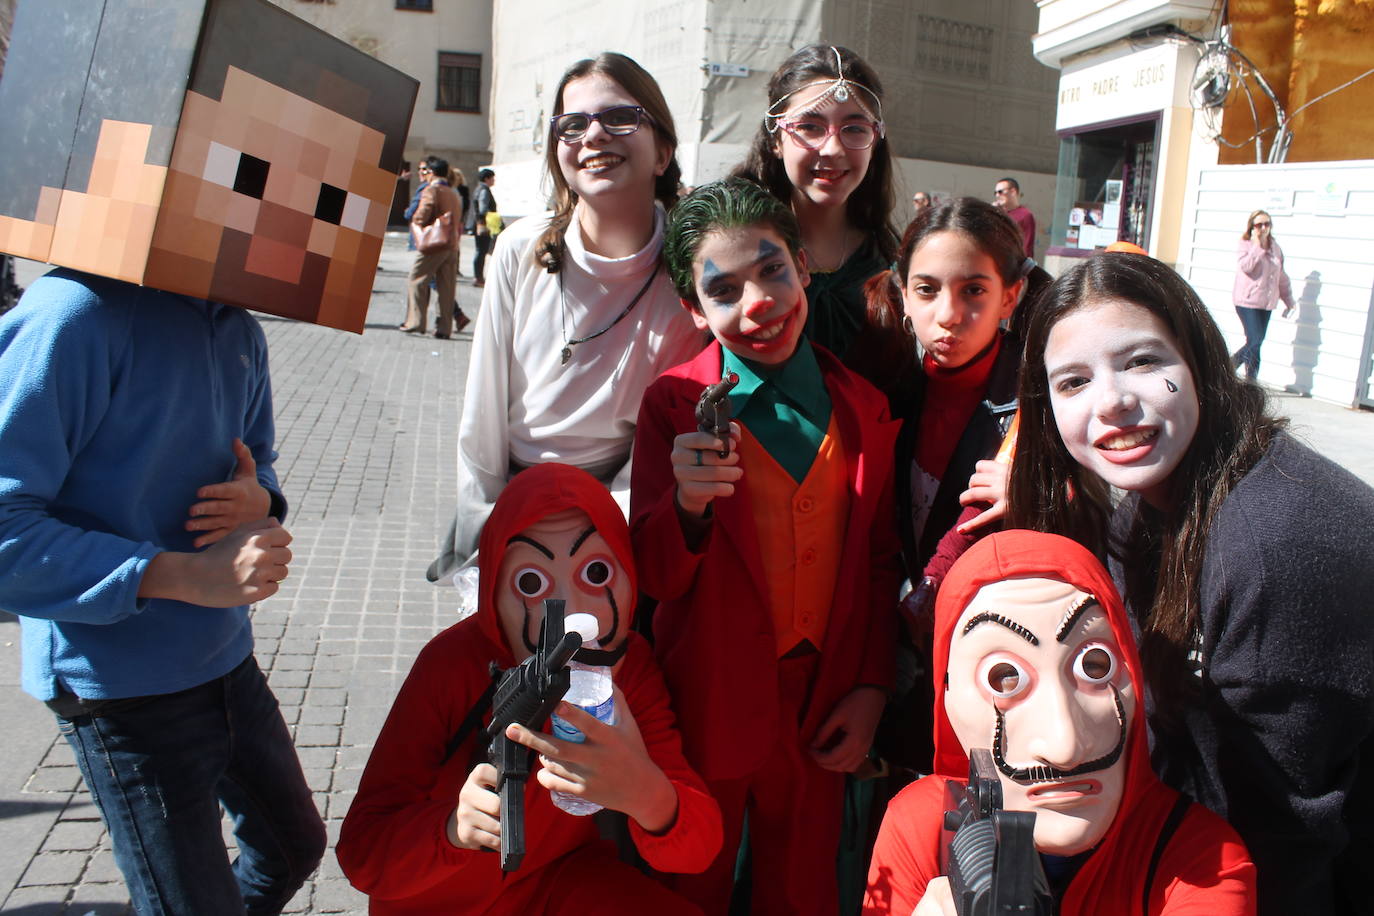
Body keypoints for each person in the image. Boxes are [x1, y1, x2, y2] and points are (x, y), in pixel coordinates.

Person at [1006, 252, 1374, 915]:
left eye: (1143, 361)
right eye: (1072, 382)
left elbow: (1283, 836)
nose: (1113, 400)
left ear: (1200, 360)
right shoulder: (1146, 503)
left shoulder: (1276, 547)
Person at [0, 270, 326, 914]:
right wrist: (182, 574)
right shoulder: (72, 314)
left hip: (227, 663)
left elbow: (257, 459)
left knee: (292, 846)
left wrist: (260, 498)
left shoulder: (236, 325)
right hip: (120, 688)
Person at [630, 178, 901, 914]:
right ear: (693, 309)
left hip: (823, 702)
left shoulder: (862, 407)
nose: (757, 302)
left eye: (772, 270)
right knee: (692, 879)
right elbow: (651, 575)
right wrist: (687, 507)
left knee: (802, 886)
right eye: (723, 291)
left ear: (804, 267)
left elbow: (878, 562)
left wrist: (872, 686)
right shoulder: (674, 407)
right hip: (709, 700)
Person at [337, 463, 722, 914]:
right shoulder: (450, 666)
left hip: (559, 881)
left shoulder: (627, 669)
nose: (571, 614)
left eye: (595, 573)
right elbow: (364, 854)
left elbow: (698, 848)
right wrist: (451, 829)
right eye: (531, 583)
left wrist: (649, 795)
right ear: (492, 594)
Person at [862, 530, 1256, 915]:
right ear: (948, 704)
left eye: (1095, 666)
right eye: (1005, 676)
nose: (1064, 746)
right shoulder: (921, 829)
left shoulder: (1199, 861)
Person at [429, 53, 703, 579]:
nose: (593, 135)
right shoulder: (520, 250)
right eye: (572, 125)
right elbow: (481, 415)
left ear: (663, 152)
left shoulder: (687, 274)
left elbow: (664, 431)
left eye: (619, 117)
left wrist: (603, 528)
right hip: (509, 503)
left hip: (616, 514)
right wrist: (488, 528)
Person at [866, 198, 1053, 780]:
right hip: (898, 668)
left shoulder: (1043, 400)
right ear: (902, 294)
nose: (948, 314)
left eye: (974, 291)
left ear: (1010, 296)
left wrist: (1044, 492)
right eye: (927, 290)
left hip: (997, 675)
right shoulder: (887, 387)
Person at [733, 45, 899, 373]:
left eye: (854, 128)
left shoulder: (892, 265)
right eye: (810, 127)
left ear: (875, 140)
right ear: (776, 140)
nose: (833, 148)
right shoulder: (733, 250)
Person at [403, 156, 467, 338]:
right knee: (447, 287)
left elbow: (422, 214)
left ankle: (416, 321)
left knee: (416, 279)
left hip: (435, 243)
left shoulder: (432, 190)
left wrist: (416, 221)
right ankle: (444, 328)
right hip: (452, 243)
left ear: (431, 172)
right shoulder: (454, 192)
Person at [1231, 209, 1294, 381]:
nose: (1263, 228)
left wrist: (1289, 300)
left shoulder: (1275, 248)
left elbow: (1281, 276)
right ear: (1252, 227)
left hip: (1266, 303)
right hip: (1247, 301)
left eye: (1267, 224)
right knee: (1255, 339)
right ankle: (1229, 366)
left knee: (1257, 343)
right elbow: (1246, 267)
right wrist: (1257, 246)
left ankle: (1251, 382)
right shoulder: (1246, 244)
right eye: (1259, 225)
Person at [467, 167, 498, 287]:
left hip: (479, 224)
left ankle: (478, 276)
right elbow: (482, 209)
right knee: (481, 251)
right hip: (483, 225)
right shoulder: (484, 190)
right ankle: (478, 277)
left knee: (480, 251)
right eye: (492, 178)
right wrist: (484, 222)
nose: (494, 180)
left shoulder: (478, 188)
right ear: (487, 179)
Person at [993, 177, 1035, 258]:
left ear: (1013, 192)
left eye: (1000, 192)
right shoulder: (995, 213)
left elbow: (1027, 247)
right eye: (995, 193)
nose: (997, 195)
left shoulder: (1025, 215)